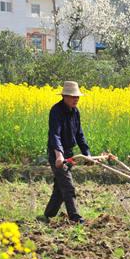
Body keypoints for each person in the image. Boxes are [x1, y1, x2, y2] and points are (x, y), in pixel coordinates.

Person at [39, 81, 96, 224]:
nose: (76, 99)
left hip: (70, 153)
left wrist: (87, 153)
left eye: (77, 97)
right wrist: (59, 154)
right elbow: (55, 134)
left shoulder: (75, 112)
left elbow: (79, 135)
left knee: (60, 188)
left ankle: (48, 215)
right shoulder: (56, 111)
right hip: (57, 153)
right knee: (68, 186)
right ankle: (75, 217)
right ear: (64, 96)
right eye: (72, 96)